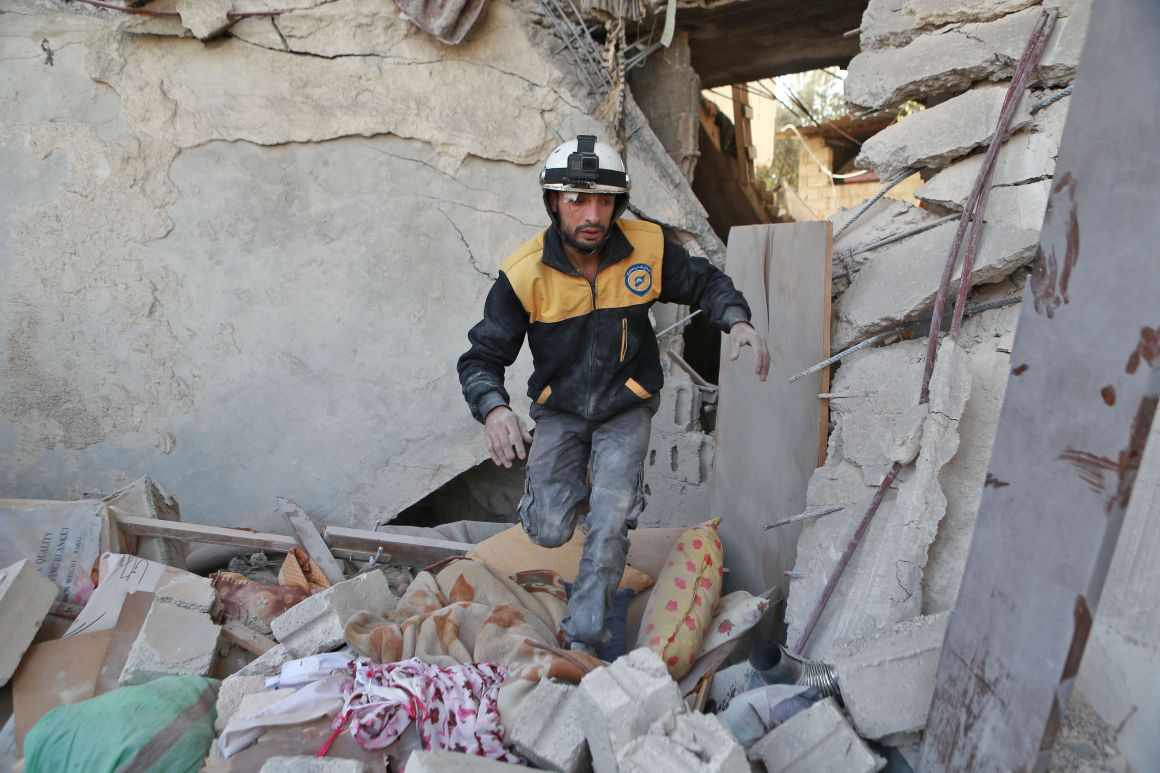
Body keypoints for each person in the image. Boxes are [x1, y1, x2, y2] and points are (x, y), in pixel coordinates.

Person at [457, 135, 769, 654]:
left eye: (604, 201)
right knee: (551, 529)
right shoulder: (524, 272)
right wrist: (495, 410)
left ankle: (582, 635)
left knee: (610, 518)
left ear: (618, 205)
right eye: (577, 200)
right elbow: (481, 357)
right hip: (559, 411)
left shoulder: (646, 247)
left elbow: (706, 283)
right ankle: (572, 485)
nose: (592, 214)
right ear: (554, 202)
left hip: (626, 404)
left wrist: (736, 321)